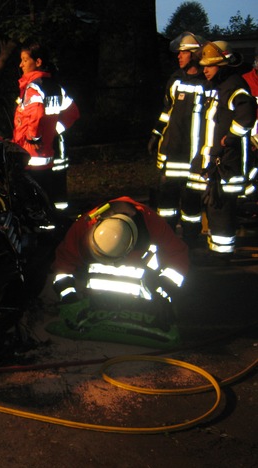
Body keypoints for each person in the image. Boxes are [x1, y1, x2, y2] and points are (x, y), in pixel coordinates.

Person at [50, 197, 189, 342]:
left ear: (130, 246)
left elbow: (178, 257)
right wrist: (68, 297)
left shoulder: (151, 224)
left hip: (144, 306)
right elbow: (63, 265)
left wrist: (163, 293)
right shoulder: (84, 226)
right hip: (96, 304)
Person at [187, 41, 257, 263]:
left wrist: (233, 137)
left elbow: (246, 115)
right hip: (218, 162)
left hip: (228, 163)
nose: (204, 69)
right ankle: (218, 251)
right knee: (216, 207)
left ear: (223, 66)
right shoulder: (219, 87)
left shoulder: (234, 87)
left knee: (222, 209)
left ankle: (221, 254)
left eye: (210, 65)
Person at [148, 32, 209, 244]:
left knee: (191, 201)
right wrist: (157, 134)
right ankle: (166, 238)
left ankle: (191, 241)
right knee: (166, 199)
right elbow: (168, 110)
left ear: (194, 54)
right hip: (172, 151)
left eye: (183, 52)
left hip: (195, 155)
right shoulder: (175, 79)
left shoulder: (207, 84)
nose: (179, 56)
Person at [12, 41, 80, 212]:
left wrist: (34, 137)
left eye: (25, 60)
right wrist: (54, 131)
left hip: (31, 153)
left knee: (33, 198)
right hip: (48, 151)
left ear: (38, 62)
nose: (21, 65)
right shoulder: (56, 87)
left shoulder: (33, 87)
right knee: (51, 194)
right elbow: (73, 113)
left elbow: (35, 113)